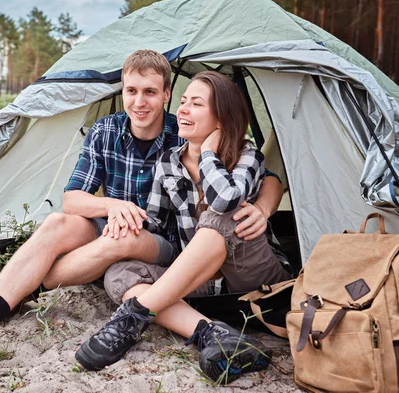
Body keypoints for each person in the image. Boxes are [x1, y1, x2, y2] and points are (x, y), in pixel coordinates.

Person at [0, 51, 283, 373]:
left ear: (167, 94)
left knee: (124, 239)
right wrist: (113, 205)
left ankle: (13, 294)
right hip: (120, 225)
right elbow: (73, 199)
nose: (139, 102)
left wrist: (264, 209)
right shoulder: (111, 133)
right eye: (131, 91)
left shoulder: (181, 132)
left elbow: (264, 179)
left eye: (151, 92)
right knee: (59, 224)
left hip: (165, 241)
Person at [75, 71, 291, 383]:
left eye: (197, 104)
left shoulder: (247, 155)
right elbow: (159, 228)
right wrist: (121, 230)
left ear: (221, 119)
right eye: (183, 101)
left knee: (221, 214)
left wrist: (206, 155)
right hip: (201, 280)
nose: (183, 110)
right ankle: (212, 333)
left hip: (254, 275)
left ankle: (132, 317)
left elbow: (227, 199)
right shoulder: (168, 163)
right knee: (120, 273)